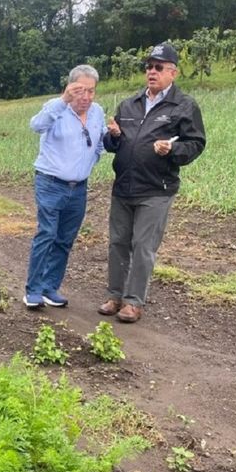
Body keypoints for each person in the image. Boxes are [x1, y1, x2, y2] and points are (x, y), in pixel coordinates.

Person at [99, 42, 206, 322]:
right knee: (118, 242)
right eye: (149, 66)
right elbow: (113, 144)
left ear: (173, 72)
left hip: (156, 189)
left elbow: (195, 143)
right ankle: (115, 295)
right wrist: (112, 136)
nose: (152, 71)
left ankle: (134, 302)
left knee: (143, 245)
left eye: (159, 67)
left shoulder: (184, 106)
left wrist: (173, 150)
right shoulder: (129, 104)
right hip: (123, 185)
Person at [24, 64, 106, 309]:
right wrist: (62, 101)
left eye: (91, 91)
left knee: (64, 239)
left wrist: (93, 159)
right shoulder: (55, 108)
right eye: (80, 91)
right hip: (50, 183)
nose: (86, 97)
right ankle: (33, 290)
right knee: (47, 234)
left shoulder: (97, 112)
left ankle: (50, 287)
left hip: (78, 187)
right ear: (70, 88)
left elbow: (99, 140)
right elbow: (36, 125)